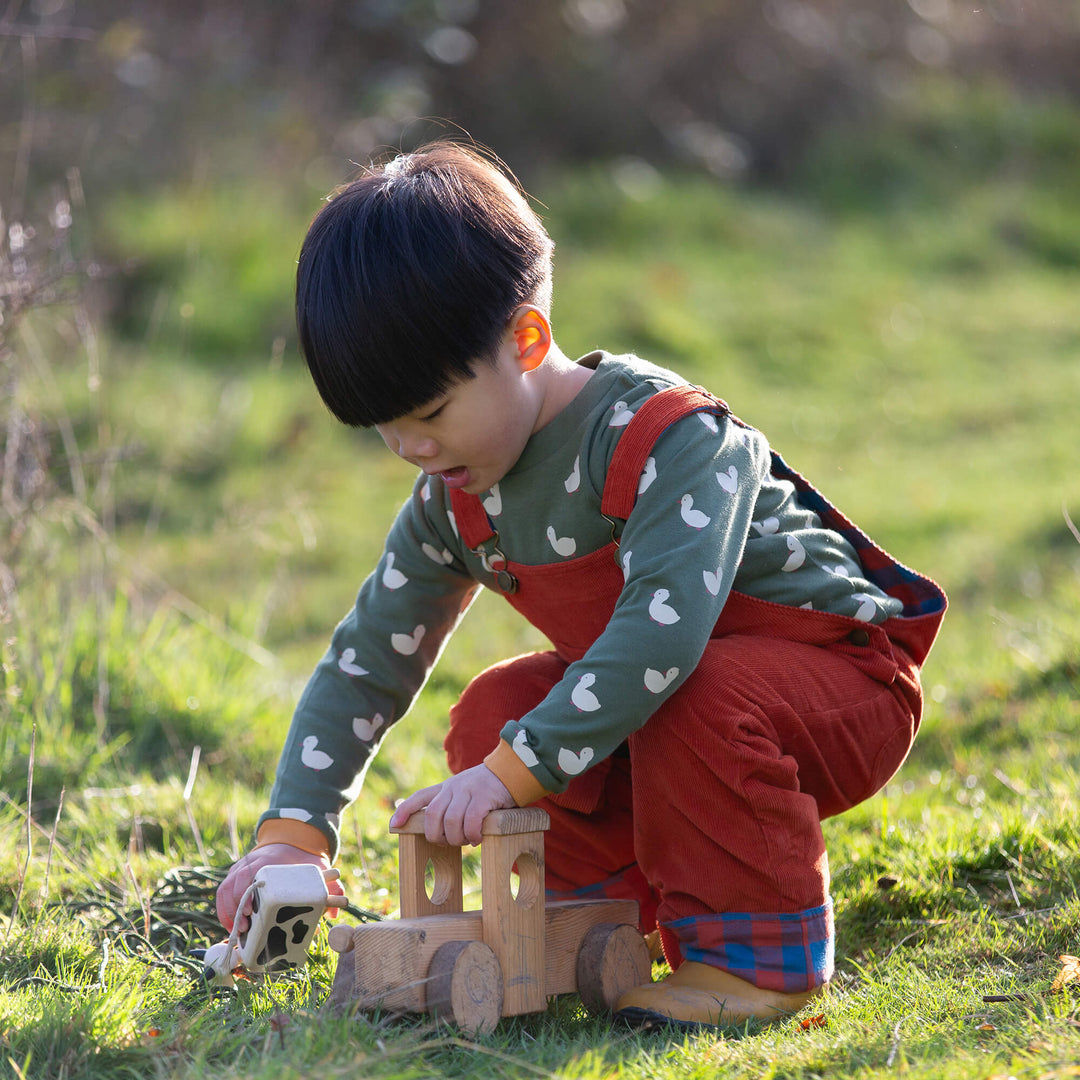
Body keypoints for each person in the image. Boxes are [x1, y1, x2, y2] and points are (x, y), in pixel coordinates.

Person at [216, 140, 946, 1029]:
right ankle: (593, 925)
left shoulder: (666, 438)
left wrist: (506, 776)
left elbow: (660, 641)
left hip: (836, 690)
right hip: (670, 713)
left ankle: (756, 961)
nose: (412, 448)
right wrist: (292, 832)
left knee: (670, 698)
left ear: (525, 340)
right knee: (496, 707)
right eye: (386, 427)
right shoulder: (457, 496)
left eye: (432, 413)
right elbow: (369, 658)